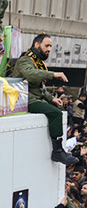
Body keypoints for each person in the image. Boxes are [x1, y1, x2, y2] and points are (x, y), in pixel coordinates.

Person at [15, 34, 78, 165]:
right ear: (36, 45)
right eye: (47, 46)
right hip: (24, 98)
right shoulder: (26, 59)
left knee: (57, 109)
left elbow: (40, 86)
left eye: (50, 46)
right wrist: (53, 74)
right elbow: (30, 75)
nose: (49, 49)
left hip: (34, 96)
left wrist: (52, 98)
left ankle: (59, 148)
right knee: (55, 114)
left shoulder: (38, 62)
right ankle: (57, 152)